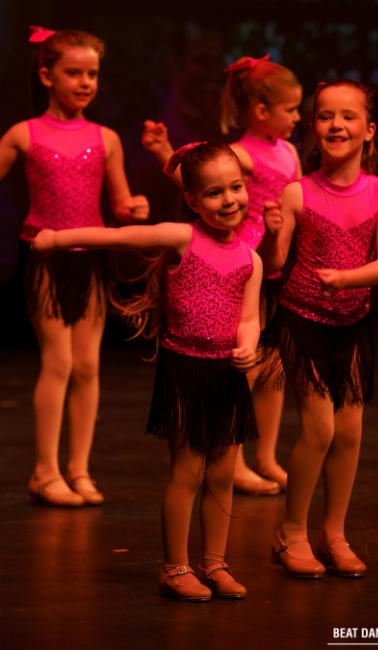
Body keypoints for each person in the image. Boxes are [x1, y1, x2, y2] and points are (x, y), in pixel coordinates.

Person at [34, 141, 262, 602]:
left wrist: (248, 346)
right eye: (215, 192)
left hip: (226, 374)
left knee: (222, 473)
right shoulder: (182, 238)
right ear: (192, 199)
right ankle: (174, 567)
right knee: (188, 470)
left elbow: (249, 317)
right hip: (185, 369)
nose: (229, 200)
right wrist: (57, 239)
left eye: (236, 188)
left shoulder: (250, 259)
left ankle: (215, 563)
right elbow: (120, 237)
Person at [257, 79, 378, 578]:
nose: (336, 125)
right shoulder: (297, 191)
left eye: (347, 116)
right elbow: (275, 265)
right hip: (302, 321)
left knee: (349, 432)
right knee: (318, 429)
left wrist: (345, 279)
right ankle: (290, 533)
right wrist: (271, 235)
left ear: (369, 129)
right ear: (314, 127)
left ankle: (333, 533)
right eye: (325, 116)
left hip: (352, 322)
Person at [0, 26, 149, 507]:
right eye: (74, 73)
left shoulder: (106, 139)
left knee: (87, 364)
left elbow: (120, 203)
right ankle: (45, 471)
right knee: (59, 361)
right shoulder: (24, 133)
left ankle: (79, 469)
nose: (85, 83)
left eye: (92, 74)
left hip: (91, 259)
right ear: (47, 76)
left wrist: (134, 209)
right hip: (45, 257)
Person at [142, 54, 303, 495]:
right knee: (242, 366)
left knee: (274, 367)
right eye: (291, 109)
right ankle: (235, 460)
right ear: (261, 111)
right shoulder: (242, 155)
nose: (297, 118)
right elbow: (203, 188)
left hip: (274, 268)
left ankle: (266, 456)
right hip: (241, 268)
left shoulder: (288, 151)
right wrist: (165, 153)